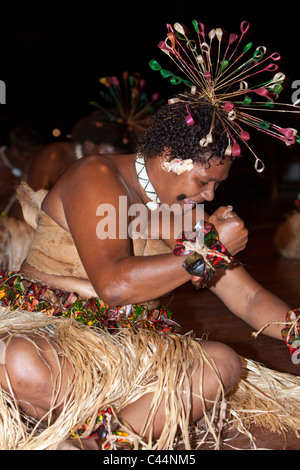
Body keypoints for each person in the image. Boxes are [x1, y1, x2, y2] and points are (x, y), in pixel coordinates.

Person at [0, 98, 298, 451]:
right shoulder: (95, 178)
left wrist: (296, 331)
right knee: (17, 358)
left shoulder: (185, 214)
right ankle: (112, 426)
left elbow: (246, 297)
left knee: (220, 363)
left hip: (129, 352)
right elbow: (113, 285)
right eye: (204, 180)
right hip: (51, 335)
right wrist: (208, 248)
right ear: (169, 156)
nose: (210, 194)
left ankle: (98, 441)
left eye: (217, 184)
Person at [25, 110, 135, 191]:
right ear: (89, 146)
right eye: (106, 158)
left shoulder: (92, 165)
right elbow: (34, 203)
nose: (108, 164)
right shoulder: (53, 157)